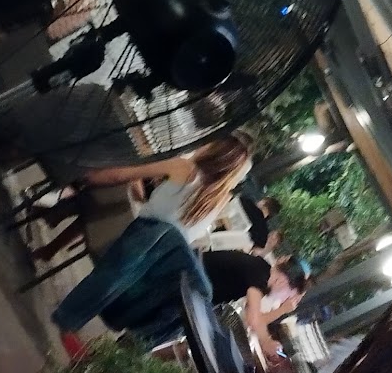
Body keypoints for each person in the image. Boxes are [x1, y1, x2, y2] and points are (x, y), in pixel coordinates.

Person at [48, 134, 255, 346]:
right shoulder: (220, 198)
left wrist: (86, 176)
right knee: (138, 279)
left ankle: (67, 320)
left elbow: (121, 175)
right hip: (157, 269)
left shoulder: (184, 168)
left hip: (141, 240)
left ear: (214, 149)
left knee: (114, 269)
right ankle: (128, 346)